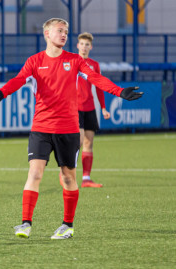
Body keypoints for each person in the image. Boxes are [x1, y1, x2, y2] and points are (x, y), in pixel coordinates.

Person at [0, 18, 143, 240]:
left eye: (66, 32)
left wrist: (118, 92)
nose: (64, 35)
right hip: (41, 128)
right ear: (47, 34)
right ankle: (25, 223)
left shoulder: (75, 61)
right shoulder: (34, 61)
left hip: (68, 130)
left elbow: (95, 78)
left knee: (68, 177)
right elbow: (20, 79)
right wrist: (3, 92)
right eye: (59, 31)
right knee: (35, 172)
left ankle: (67, 226)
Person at [77, 32, 111, 188]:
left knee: (89, 143)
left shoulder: (94, 65)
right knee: (78, 141)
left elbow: (99, 87)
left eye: (87, 44)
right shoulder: (71, 62)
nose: (84, 47)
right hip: (74, 108)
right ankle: (65, 173)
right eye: (82, 44)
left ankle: (86, 179)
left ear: (91, 47)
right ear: (78, 45)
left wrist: (103, 107)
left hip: (89, 107)